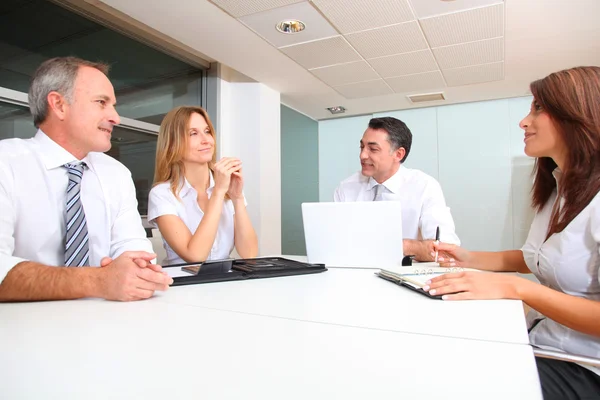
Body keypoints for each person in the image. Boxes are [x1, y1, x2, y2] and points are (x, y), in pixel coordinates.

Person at [430, 66, 600, 399]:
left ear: (578, 115)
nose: (524, 121)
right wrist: (466, 257)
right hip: (541, 340)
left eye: (538, 108)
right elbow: (535, 258)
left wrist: (516, 288)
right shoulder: (556, 189)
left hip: (584, 365)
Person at [0, 57, 172, 302]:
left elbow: (136, 255)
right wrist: (97, 280)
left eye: (112, 105)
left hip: (106, 322)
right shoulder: (5, 163)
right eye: (101, 102)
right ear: (59, 104)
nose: (116, 117)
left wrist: (137, 273)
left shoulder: (117, 173)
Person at [334, 116, 460, 261]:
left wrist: (398, 246)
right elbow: (338, 243)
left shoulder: (425, 186)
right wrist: (419, 248)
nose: (363, 155)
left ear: (398, 154)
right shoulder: (346, 188)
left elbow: (447, 251)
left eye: (373, 149)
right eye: (362, 147)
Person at [148, 106, 258, 265]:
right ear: (173, 144)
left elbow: (249, 253)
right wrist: (218, 193)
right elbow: (195, 256)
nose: (206, 140)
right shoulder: (162, 194)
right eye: (193, 133)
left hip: (225, 280)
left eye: (207, 131)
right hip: (185, 283)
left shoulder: (226, 184)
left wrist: (237, 197)